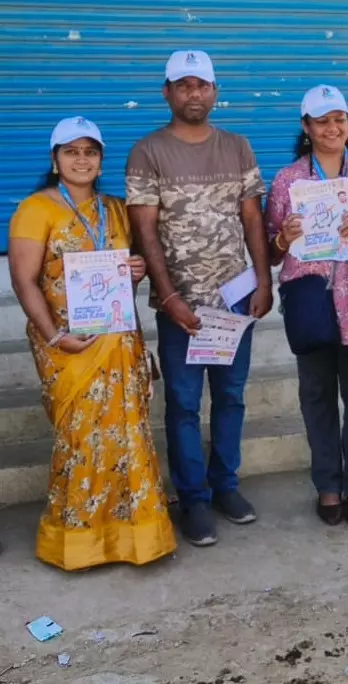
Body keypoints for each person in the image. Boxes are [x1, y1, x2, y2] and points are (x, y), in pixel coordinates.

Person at [8, 117, 176, 571]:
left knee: (129, 438)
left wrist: (137, 271)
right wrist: (55, 335)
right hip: (68, 347)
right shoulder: (35, 209)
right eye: (71, 151)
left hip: (119, 342)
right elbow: (24, 281)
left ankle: (136, 542)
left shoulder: (116, 209)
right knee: (82, 441)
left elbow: (127, 274)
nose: (81, 159)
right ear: (55, 159)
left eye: (90, 151)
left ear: (101, 160)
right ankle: (78, 544)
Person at [126, 51, 273, 547]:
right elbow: (144, 229)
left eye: (202, 85)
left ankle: (225, 487)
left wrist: (264, 280)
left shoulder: (237, 147)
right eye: (183, 85)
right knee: (184, 404)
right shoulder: (148, 152)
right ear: (166, 92)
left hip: (234, 299)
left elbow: (253, 218)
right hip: (182, 306)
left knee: (230, 398)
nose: (194, 93)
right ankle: (192, 500)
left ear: (214, 91)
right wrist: (166, 296)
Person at [265, 84, 348, 528]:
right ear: (306, 127)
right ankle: (328, 484)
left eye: (339, 118)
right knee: (316, 396)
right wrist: (283, 238)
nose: (333, 127)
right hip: (310, 306)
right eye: (322, 121)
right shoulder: (287, 181)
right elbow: (271, 250)